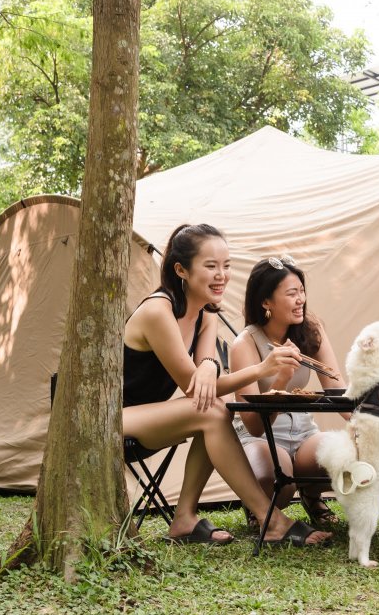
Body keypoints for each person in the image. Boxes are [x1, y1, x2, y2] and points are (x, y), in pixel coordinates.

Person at [122, 224, 331, 547]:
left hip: (146, 418)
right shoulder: (157, 311)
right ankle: (270, 519)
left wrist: (209, 364)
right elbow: (195, 387)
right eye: (210, 266)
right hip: (112, 421)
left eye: (227, 265)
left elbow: (209, 383)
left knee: (214, 409)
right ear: (181, 269)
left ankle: (185, 519)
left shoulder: (206, 315)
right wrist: (260, 368)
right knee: (210, 411)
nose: (222, 275)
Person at [230, 256, 346, 529]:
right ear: (266, 302)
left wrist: (363, 423)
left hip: (305, 432)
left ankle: (311, 493)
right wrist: (281, 379)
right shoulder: (245, 344)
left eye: (302, 291)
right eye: (291, 294)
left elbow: (337, 390)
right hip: (261, 437)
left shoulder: (311, 330)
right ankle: (261, 504)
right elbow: (255, 426)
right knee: (275, 481)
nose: (300, 300)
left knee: (343, 455)